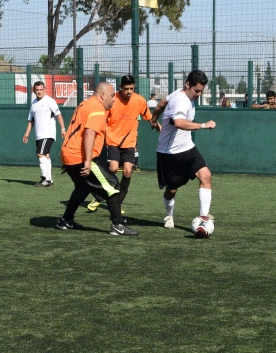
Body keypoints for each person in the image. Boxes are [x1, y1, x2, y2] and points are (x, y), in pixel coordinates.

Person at [56, 82, 138, 236]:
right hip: (81, 157)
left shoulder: (85, 104)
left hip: (70, 154)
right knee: (113, 185)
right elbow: (89, 133)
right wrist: (87, 161)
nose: (114, 99)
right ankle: (118, 225)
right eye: (112, 95)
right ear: (103, 95)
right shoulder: (97, 108)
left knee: (82, 188)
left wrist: (69, 160)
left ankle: (65, 220)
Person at [150, 70, 216, 230]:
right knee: (171, 190)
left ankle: (203, 218)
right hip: (170, 153)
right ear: (187, 85)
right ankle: (169, 215)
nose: (199, 94)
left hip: (187, 148)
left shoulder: (179, 93)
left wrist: (153, 119)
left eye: (201, 91)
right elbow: (179, 122)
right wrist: (203, 125)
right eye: (197, 91)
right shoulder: (181, 100)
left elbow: (161, 104)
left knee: (205, 175)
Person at [87, 75, 158, 213]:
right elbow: (101, 116)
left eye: (132, 88)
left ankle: (117, 203)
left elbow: (148, 116)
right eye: (126, 89)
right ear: (121, 88)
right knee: (113, 168)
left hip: (129, 141)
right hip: (112, 139)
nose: (129, 91)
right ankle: (100, 196)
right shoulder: (113, 99)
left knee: (127, 171)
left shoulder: (140, 100)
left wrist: (154, 123)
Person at [23, 80, 66, 187]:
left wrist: (63, 129)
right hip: (39, 134)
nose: (39, 92)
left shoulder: (50, 101)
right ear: (34, 91)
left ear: (45, 89)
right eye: (37, 90)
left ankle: (45, 178)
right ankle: (49, 180)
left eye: (41, 89)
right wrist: (27, 133)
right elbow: (31, 120)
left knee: (40, 154)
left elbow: (58, 115)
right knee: (46, 155)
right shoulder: (34, 103)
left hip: (48, 133)